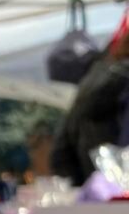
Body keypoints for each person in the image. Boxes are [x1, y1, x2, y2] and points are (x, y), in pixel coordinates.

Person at [51, 34, 129, 185]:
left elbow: (62, 145)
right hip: (115, 180)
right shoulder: (121, 82)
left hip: (94, 183)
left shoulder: (94, 78)